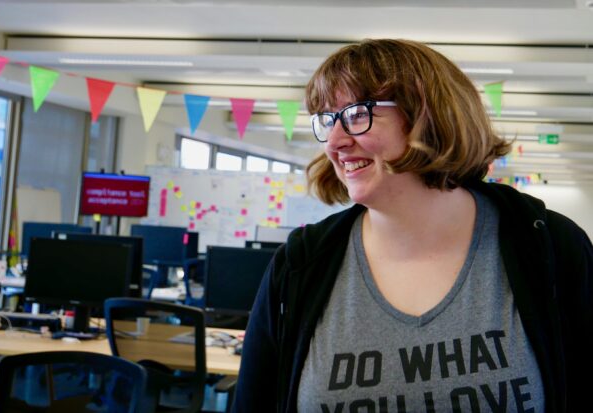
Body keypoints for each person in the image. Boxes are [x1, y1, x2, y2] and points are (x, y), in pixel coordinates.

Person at [232, 39, 592, 413]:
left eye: (356, 114)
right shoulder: (301, 264)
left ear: (429, 114)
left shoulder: (548, 247)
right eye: (328, 119)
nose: (335, 142)